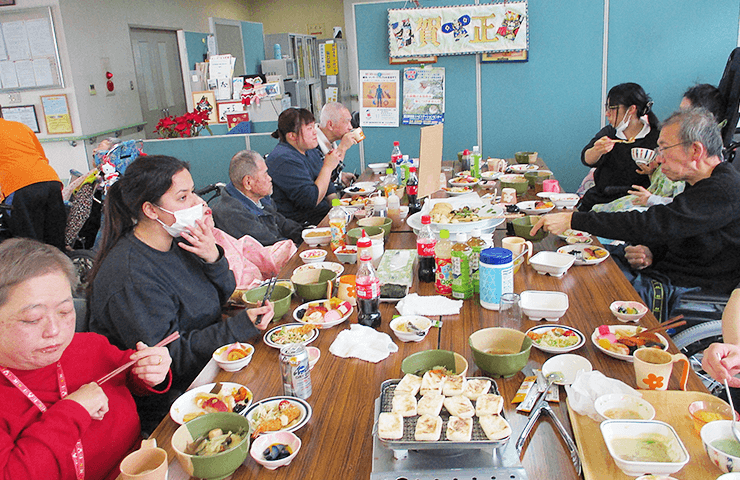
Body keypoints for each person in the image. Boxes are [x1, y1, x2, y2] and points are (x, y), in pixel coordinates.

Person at [88, 155, 273, 431]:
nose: (199, 203)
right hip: (174, 402)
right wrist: (237, 327)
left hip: (210, 364)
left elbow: (223, 293)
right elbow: (171, 357)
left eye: (193, 192)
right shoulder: (131, 276)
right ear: (151, 210)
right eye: (183, 197)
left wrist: (213, 257)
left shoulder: (177, 243)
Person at [532, 108, 740, 320]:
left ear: (696, 150)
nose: (658, 159)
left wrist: (574, 220)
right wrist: (651, 251)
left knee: (587, 286)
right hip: (666, 271)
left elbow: (654, 222)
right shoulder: (703, 182)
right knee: (580, 261)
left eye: (664, 149)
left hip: (687, 287)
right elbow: (678, 227)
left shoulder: (723, 189)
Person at [0, 238, 172, 480]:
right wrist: (74, 410)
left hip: (147, 467)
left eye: (65, 311)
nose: (54, 331)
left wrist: (150, 371)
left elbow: (131, 376)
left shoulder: (90, 346)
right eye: (32, 319)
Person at [592, 84, 724, 213]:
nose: (660, 157)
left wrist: (652, 199)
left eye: (684, 114)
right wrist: (652, 172)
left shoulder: (703, 173)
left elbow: (683, 205)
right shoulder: (609, 133)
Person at [578, 82, 659, 211]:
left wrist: (653, 171)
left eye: (612, 108)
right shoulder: (610, 133)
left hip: (634, 205)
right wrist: (597, 150)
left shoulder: (656, 137)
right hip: (601, 199)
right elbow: (586, 158)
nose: (607, 113)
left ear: (631, 109)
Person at [0, 113, 66, 250]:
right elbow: (42, 156)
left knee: (28, 241)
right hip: (49, 180)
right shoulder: (20, 127)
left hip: (18, 187)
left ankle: (35, 270)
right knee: (55, 238)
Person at [266, 108, 343, 225]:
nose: (315, 132)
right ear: (292, 136)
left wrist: (338, 210)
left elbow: (329, 189)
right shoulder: (284, 159)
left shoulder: (309, 150)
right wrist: (328, 167)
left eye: (314, 127)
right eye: (309, 128)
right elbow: (310, 200)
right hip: (304, 225)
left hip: (323, 216)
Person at [211, 150, 303, 246]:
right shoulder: (232, 214)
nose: (269, 178)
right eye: (265, 174)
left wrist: (305, 235)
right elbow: (269, 246)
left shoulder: (259, 198)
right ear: (248, 183)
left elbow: (282, 223)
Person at [315, 102, 358, 187]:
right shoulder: (312, 144)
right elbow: (326, 179)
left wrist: (340, 176)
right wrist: (342, 148)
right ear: (330, 125)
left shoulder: (330, 141)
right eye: (346, 122)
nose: (350, 127)